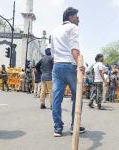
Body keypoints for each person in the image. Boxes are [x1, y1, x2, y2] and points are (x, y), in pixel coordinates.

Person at [51, 7, 85, 137]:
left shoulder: (54, 31)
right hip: (70, 66)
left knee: (56, 99)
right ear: (70, 17)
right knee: (77, 97)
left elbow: (53, 52)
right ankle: (74, 126)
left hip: (57, 66)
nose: (78, 19)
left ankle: (57, 128)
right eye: (77, 16)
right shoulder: (73, 27)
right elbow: (74, 49)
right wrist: (79, 65)